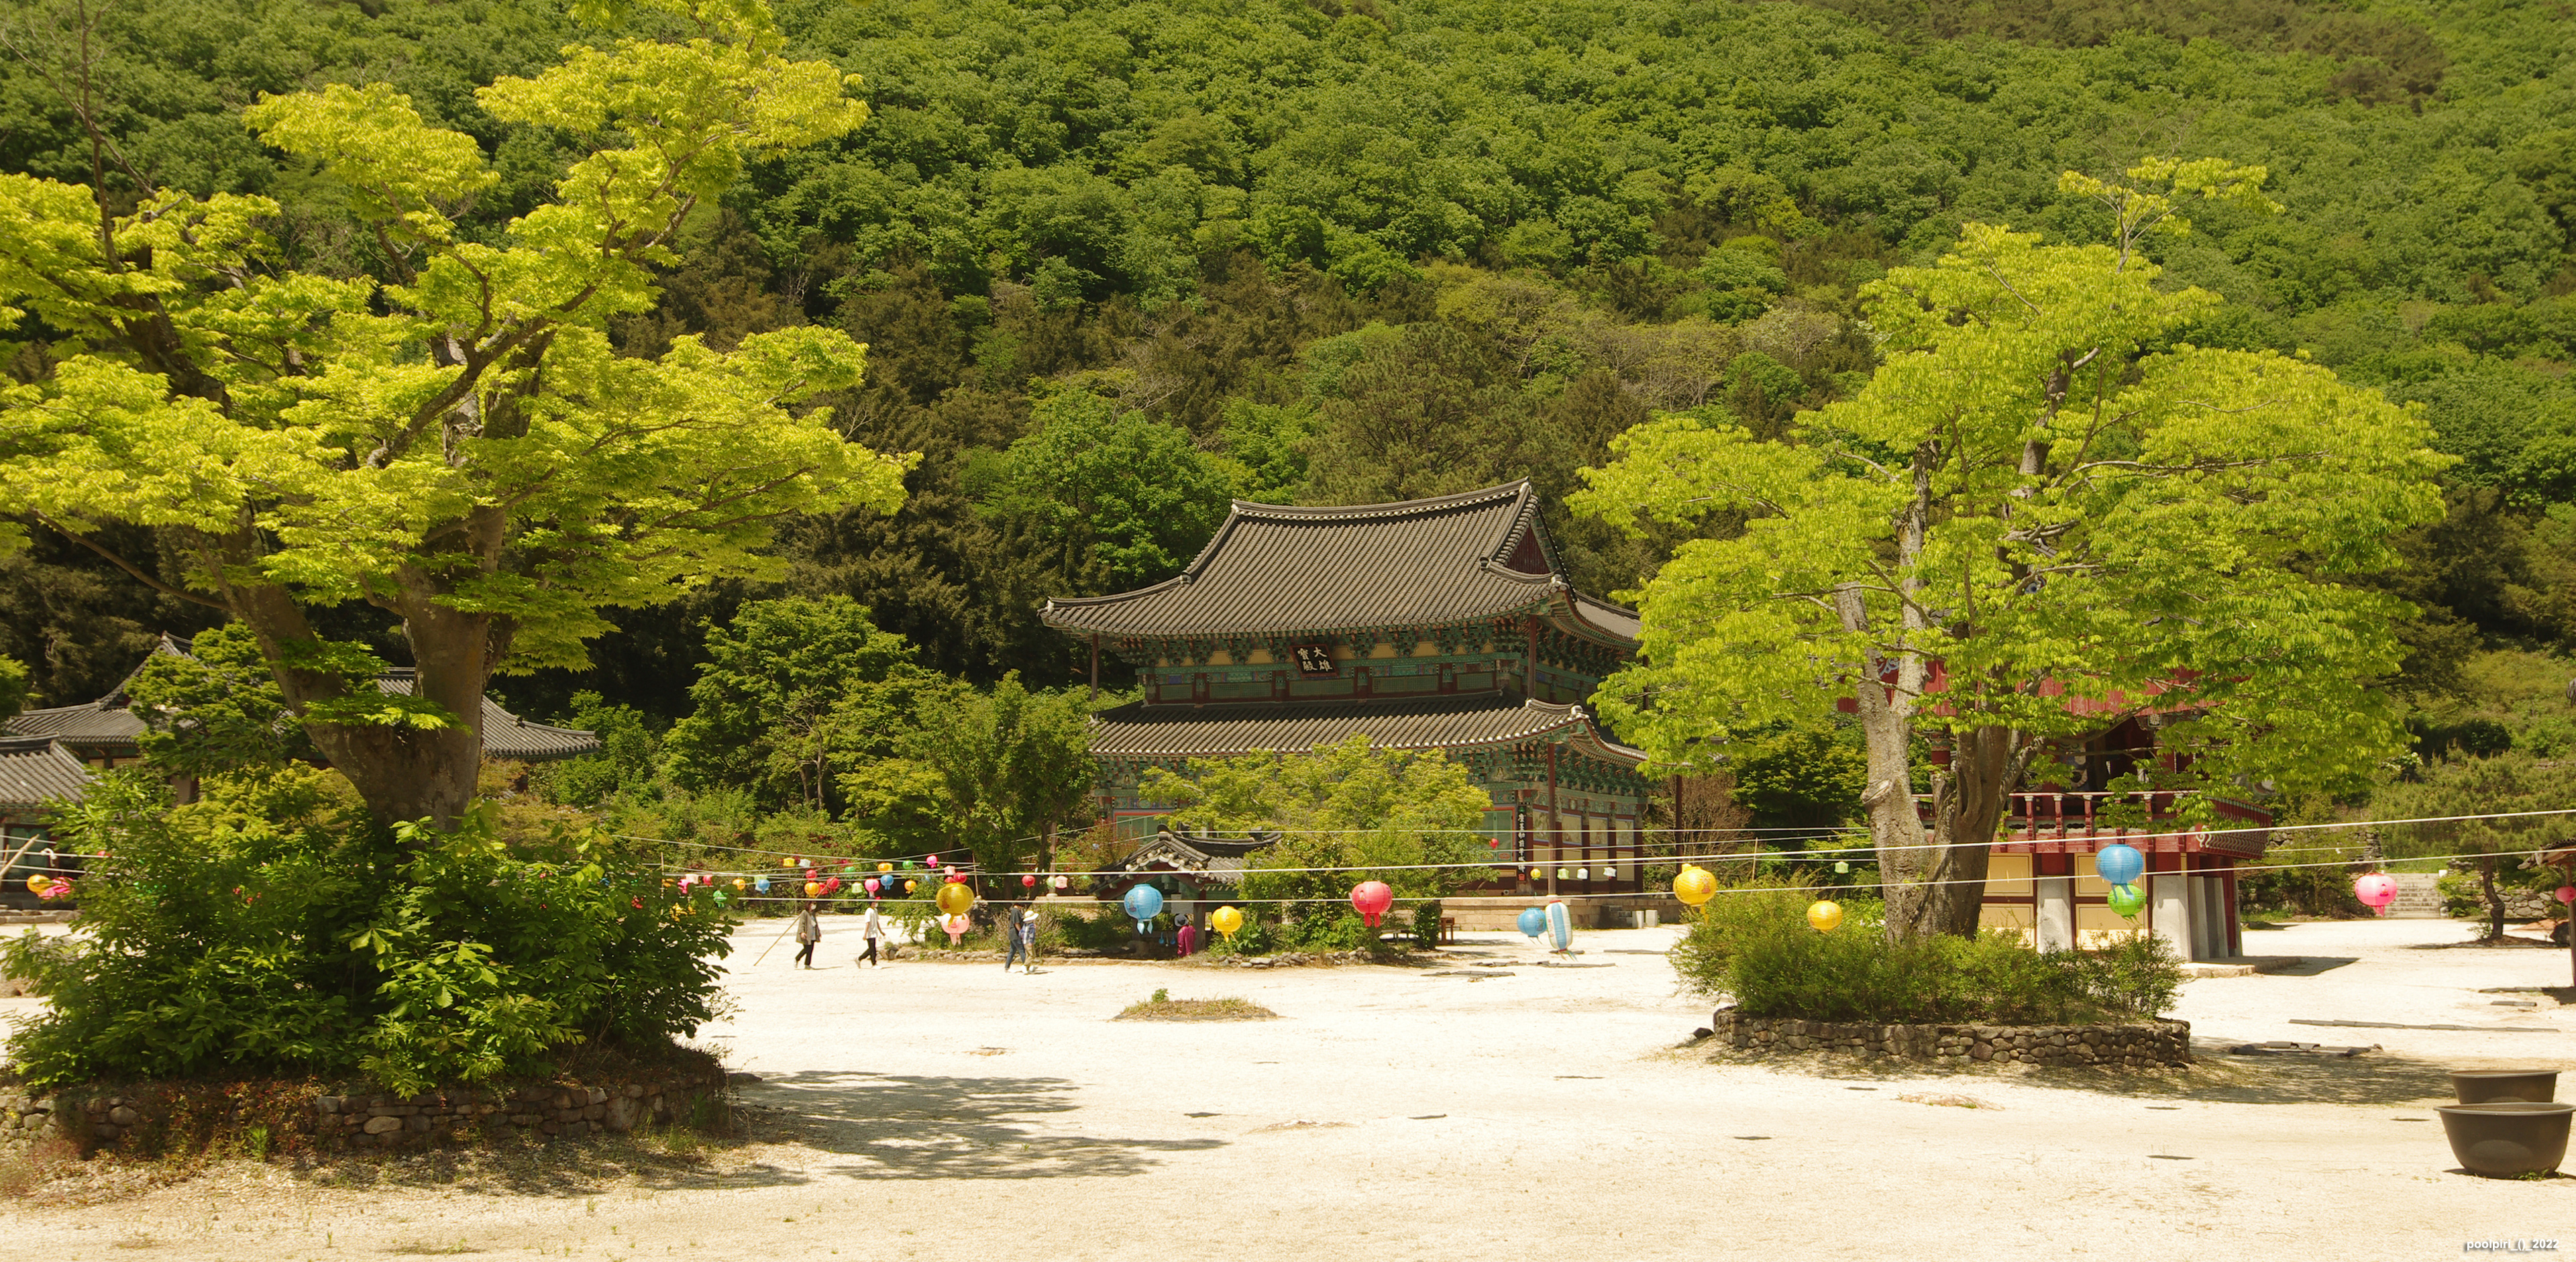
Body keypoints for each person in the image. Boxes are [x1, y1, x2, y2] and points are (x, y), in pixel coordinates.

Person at [793, 902, 821, 969]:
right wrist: (802, 932)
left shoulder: (813, 913)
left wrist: (818, 932)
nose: (814, 906)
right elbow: (802, 923)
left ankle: (807, 964)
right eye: (812, 904)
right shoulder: (804, 913)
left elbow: (815, 923)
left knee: (811, 949)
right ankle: (797, 958)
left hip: (813, 933)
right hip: (807, 934)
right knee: (807, 948)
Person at [1003, 904, 1030, 972]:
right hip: (1015, 934)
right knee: (1022, 950)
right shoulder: (1015, 911)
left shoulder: (1016, 911)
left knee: (1012, 951)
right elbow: (1016, 923)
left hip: (1013, 934)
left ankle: (1007, 967)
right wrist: (1021, 932)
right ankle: (1026, 967)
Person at [859, 900, 885, 967]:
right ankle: (873, 964)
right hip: (870, 932)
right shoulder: (868, 911)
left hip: (874, 932)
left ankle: (859, 959)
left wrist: (881, 931)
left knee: (872, 949)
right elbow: (867, 923)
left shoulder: (875, 910)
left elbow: (876, 922)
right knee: (872, 949)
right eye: (873, 903)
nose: (875, 904)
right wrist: (865, 934)